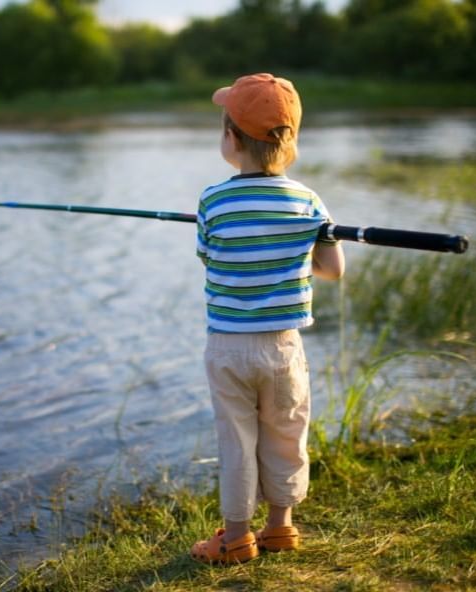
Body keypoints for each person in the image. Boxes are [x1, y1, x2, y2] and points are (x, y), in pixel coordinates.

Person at [191, 73, 345, 564]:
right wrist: (309, 245)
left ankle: (236, 538)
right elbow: (332, 271)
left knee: (236, 439)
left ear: (231, 139)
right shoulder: (307, 201)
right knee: (286, 432)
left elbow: (208, 257)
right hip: (283, 346)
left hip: (229, 345)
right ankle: (281, 527)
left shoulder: (213, 200)